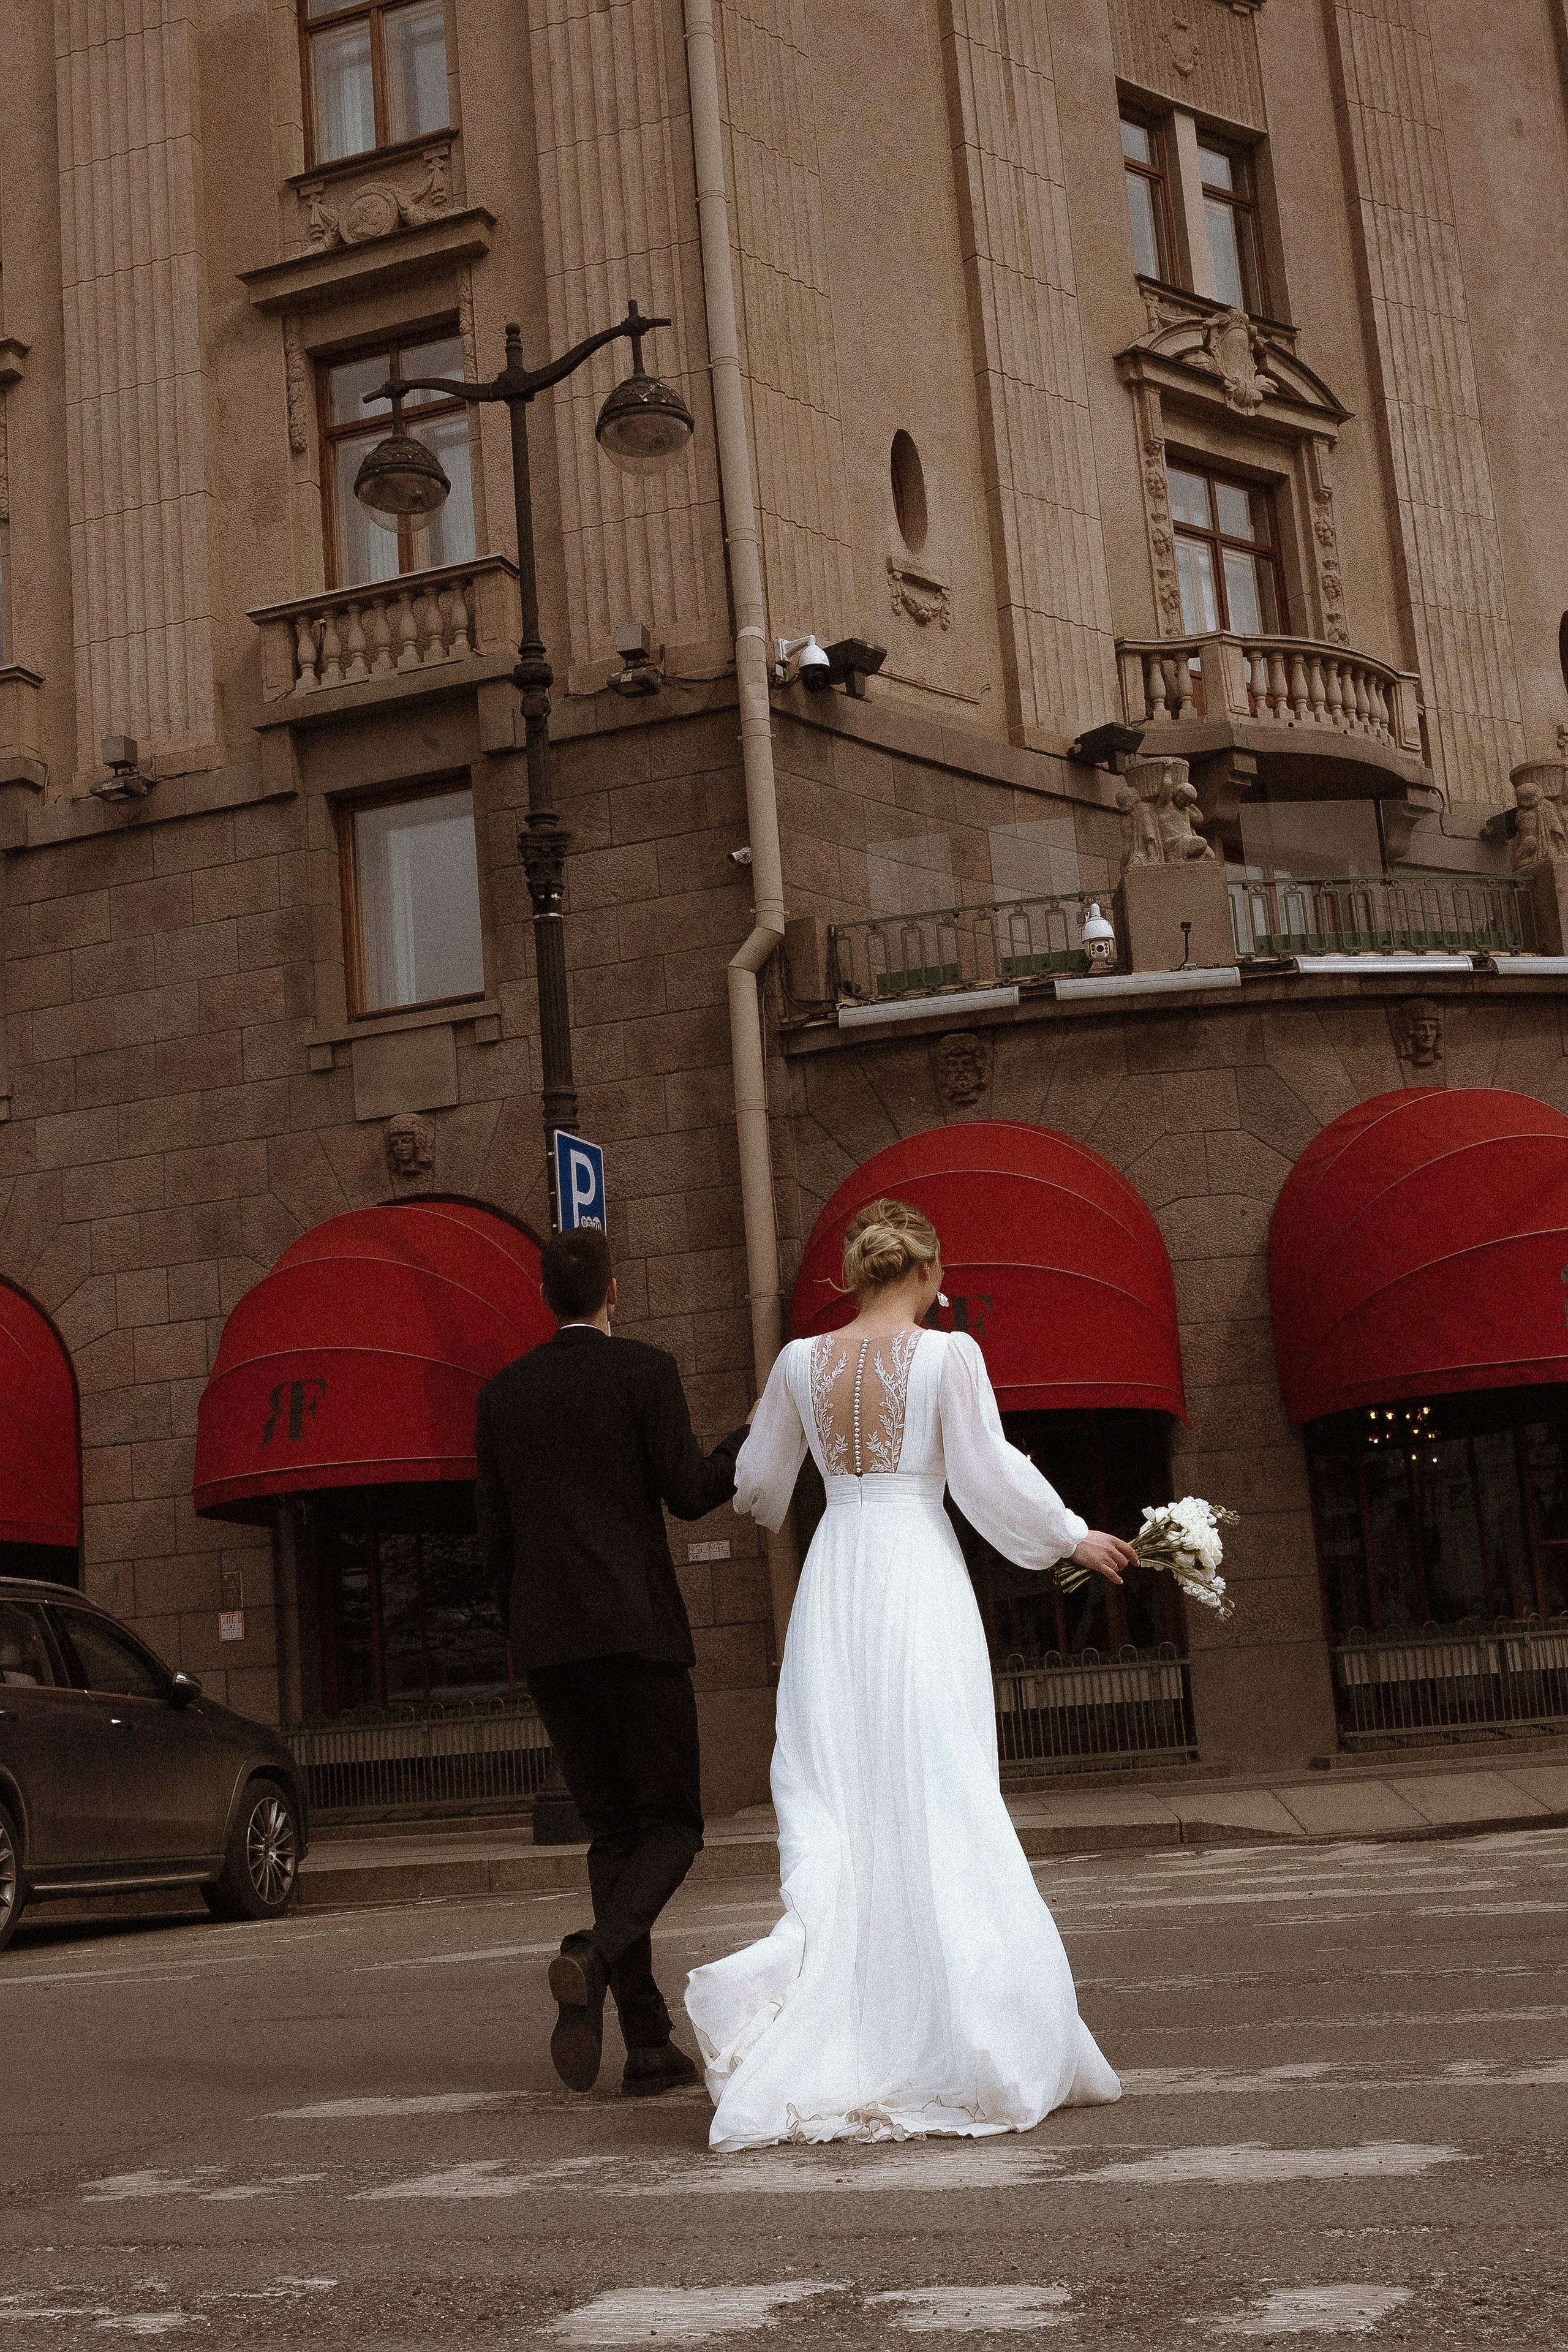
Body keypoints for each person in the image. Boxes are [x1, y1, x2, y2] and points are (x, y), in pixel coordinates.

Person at [684, 1197, 1134, 2152]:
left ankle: (835, 2024)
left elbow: (759, 1489)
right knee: (944, 1787)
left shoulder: (797, 1363)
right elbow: (986, 1472)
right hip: (916, 1578)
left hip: (836, 1580)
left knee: (841, 1799)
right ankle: (970, 2028)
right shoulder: (949, 1357)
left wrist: (765, 1427)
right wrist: (1070, 1535)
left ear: (856, 1274)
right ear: (927, 1274)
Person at [474, 1226, 748, 2098]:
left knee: (613, 1836)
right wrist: (746, 1441)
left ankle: (648, 2043)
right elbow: (691, 1493)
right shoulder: (644, 1371)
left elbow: (493, 1537)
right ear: (613, 1291)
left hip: (550, 1644)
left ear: (544, 1296)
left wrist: (525, 1630)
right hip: (637, 1635)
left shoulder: (502, 1395)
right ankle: (592, 1955)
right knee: (673, 1826)